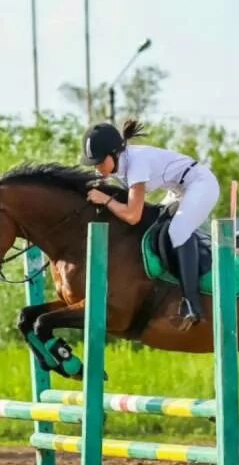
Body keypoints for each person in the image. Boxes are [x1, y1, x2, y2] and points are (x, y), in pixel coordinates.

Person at [80, 119, 221, 331]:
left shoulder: (137, 163)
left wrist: (106, 200)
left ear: (114, 154)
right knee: (156, 229)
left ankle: (192, 304)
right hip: (178, 190)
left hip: (200, 184)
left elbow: (132, 215)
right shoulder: (118, 165)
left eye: (100, 162)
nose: (98, 169)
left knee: (177, 230)